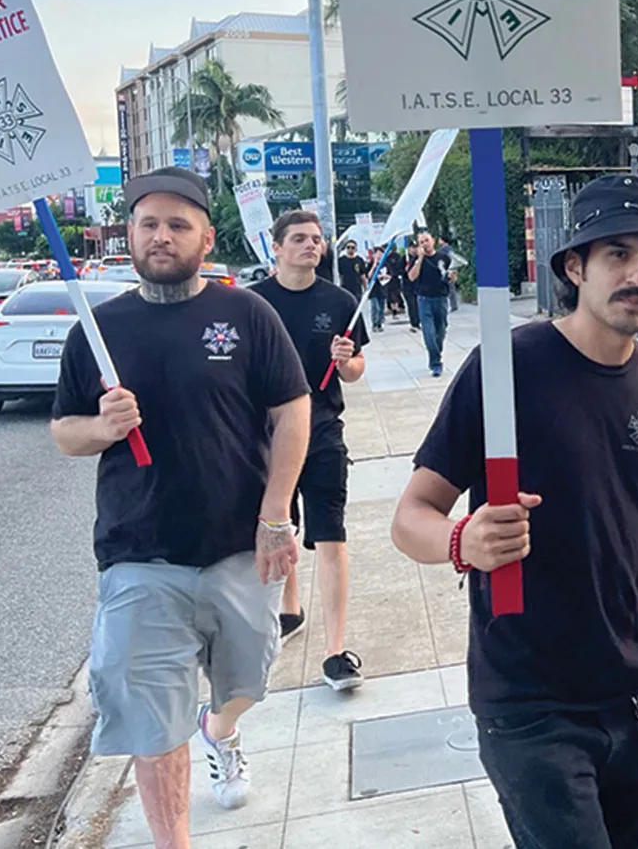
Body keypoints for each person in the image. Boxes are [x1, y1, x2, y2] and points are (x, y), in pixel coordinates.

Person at [392, 174, 638, 849]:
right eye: (617, 253)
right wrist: (462, 540)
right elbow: (412, 514)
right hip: (529, 704)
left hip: (630, 694)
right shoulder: (506, 368)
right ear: (575, 266)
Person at [50, 167, 311, 848]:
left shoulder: (244, 313)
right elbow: (63, 433)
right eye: (148, 223)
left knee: (247, 681)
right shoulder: (99, 331)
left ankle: (220, 729)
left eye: (177, 224)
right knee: (153, 724)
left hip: (239, 549)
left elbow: (291, 411)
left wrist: (275, 514)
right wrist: (102, 429)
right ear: (129, 234)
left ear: (205, 235)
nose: (161, 236)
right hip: (141, 557)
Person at [251, 210, 369, 691]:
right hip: (264, 434)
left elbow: (357, 367)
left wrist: (347, 362)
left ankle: (336, 651)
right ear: (276, 248)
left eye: (317, 239)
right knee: (280, 525)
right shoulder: (252, 304)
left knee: (330, 533)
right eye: (299, 239)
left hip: (322, 431)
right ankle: (288, 609)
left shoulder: (340, 301)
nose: (311, 246)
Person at [407, 231, 452, 376]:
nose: (425, 243)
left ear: (433, 241)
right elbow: (411, 277)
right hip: (424, 299)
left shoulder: (443, 258)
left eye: (427, 240)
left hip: (441, 298)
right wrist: (419, 259)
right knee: (429, 332)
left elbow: (450, 277)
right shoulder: (417, 260)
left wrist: (452, 277)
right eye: (421, 242)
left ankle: (436, 353)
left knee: (441, 329)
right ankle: (435, 363)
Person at [365, 247, 388, 331]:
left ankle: (379, 324)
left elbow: (390, 275)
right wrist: (374, 265)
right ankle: (374, 323)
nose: (379, 255)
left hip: (382, 288)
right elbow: (369, 275)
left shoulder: (385, 264)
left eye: (380, 253)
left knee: (381, 308)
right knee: (376, 307)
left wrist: (384, 276)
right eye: (377, 253)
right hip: (373, 289)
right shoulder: (371, 264)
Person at [401, 239, 421, 333]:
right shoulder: (404, 258)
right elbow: (397, 272)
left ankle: (420, 321)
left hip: (418, 286)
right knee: (412, 305)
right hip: (408, 286)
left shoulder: (419, 258)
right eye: (412, 247)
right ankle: (414, 323)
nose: (414, 250)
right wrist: (405, 270)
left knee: (419, 305)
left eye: (416, 247)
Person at [439, 236, 461, 313]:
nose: (439, 241)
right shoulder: (450, 248)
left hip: (447, 270)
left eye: (440, 240)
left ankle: (453, 305)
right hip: (451, 269)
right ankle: (453, 305)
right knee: (451, 287)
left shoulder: (444, 249)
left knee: (450, 287)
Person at [385, 246, 405, 319]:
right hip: (386, 279)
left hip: (395, 279)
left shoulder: (396, 256)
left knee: (395, 294)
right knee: (389, 295)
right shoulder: (385, 257)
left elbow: (399, 266)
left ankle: (395, 310)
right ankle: (392, 309)